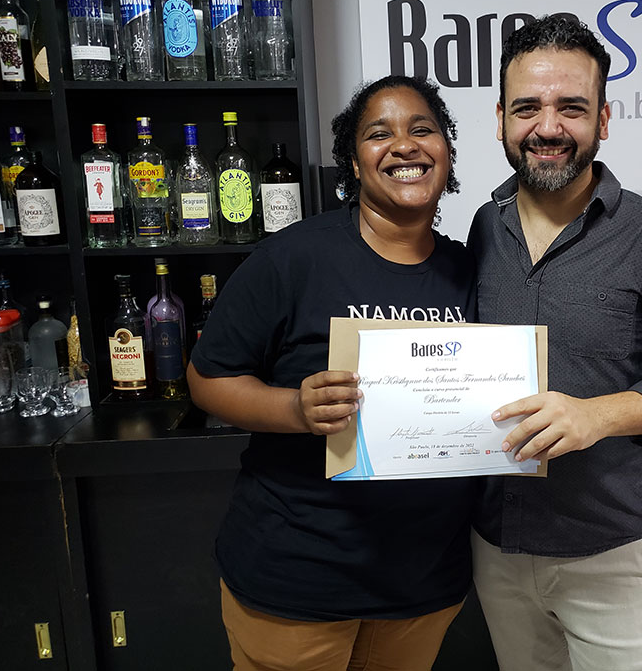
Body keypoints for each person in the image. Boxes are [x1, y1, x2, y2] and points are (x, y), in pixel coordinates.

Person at [188, 74, 476, 671]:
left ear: (446, 150)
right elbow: (208, 379)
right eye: (379, 134)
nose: (404, 145)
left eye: (423, 129)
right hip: (300, 577)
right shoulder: (293, 258)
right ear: (353, 161)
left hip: (423, 581)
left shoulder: (471, 270)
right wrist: (295, 409)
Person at [466, 15, 642, 671]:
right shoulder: (483, 228)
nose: (548, 127)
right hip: (496, 545)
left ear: (603, 120)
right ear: (501, 120)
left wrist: (592, 416)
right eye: (527, 108)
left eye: (571, 108)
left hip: (607, 552)